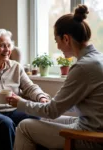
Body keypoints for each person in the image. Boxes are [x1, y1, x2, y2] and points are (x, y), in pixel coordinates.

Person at [7, 4, 103, 150]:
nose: (57, 47)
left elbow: (52, 111)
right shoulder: (97, 58)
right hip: (91, 125)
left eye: (56, 41)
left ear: (66, 39)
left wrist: (20, 103)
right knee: (42, 118)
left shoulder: (83, 67)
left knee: (25, 126)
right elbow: (56, 108)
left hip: (91, 138)